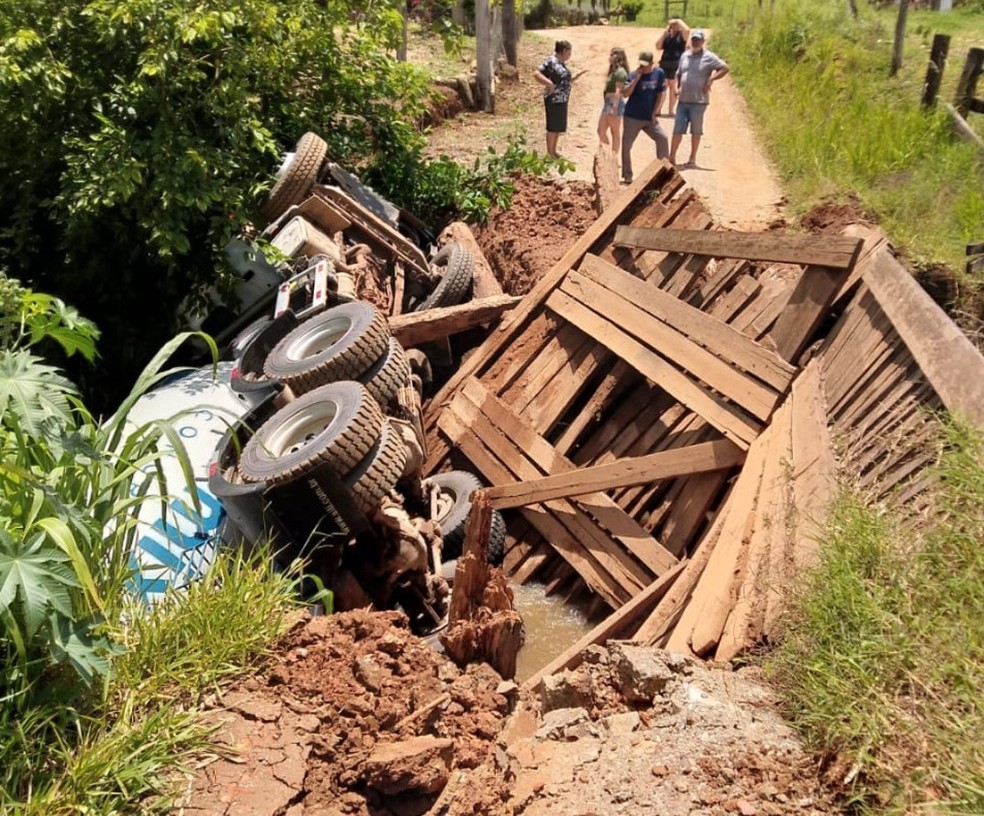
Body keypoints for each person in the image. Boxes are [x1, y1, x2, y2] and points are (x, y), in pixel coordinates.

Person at [669, 29, 729, 168]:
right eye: (694, 39)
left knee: (696, 131)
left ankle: (692, 159)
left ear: (703, 41)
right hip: (683, 100)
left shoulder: (709, 57)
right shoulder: (685, 55)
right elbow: (679, 73)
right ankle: (672, 157)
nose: (695, 42)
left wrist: (711, 79)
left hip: (699, 101)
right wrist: (677, 87)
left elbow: (724, 68)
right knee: (677, 129)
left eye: (698, 40)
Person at [619, 50, 669, 185]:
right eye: (641, 64)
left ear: (652, 63)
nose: (642, 67)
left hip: (648, 117)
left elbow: (660, 94)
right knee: (626, 146)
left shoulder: (659, 73)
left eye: (645, 65)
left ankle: (664, 173)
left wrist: (654, 113)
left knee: (662, 138)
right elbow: (625, 94)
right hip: (632, 117)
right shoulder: (633, 74)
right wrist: (636, 79)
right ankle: (627, 175)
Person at [533, 40, 586, 159]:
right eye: (569, 52)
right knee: (552, 126)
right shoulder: (551, 61)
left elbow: (563, 80)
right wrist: (549, 84)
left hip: (562, 99)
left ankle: (553, 151)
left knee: (558, 126)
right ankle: (549, 153)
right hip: (553, 98)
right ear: (564, 51)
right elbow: (536, 74)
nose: (570, 55)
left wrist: (576, 77)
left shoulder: (561, 63)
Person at [655, 18, 690, 117]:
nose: (673, 26)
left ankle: (671, 110)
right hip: (664, 63)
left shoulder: (681, 35)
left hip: (676, 64)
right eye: (672, 24)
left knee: (673, 87)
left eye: (675, 24)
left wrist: (678, 21)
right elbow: (658, 47)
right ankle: (658, 109)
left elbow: (687, 30)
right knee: (663, 87)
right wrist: (664, 34)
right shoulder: (667, 35)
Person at [597, 48, 629, 154]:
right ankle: (607, 154)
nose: (610, 57)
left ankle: (612, 156)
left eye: (612, 55)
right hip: (608, 102)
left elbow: (618, 90)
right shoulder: (614, 71)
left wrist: (614, 107)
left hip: (614, 102)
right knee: (601, 130)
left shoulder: (620, 72)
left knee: (614, 131)